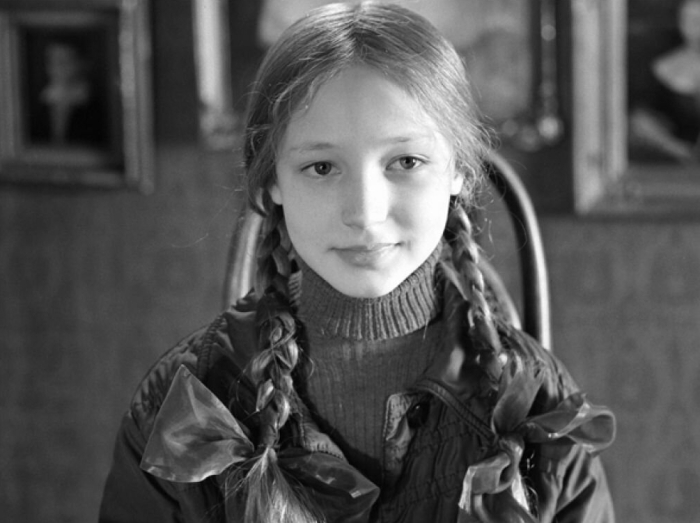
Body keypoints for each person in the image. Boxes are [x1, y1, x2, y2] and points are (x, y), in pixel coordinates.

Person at [99, 3, 616, 522]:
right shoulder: (186, 407)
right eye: (322, 167)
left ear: (458, 169)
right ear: (273, 179)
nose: (366, 214)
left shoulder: (540, 402)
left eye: (406, 162)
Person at [629, 0, 700, 163]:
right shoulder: (661, 67)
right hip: (675, 160)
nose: (697, 28)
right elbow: (640, 119)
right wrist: (676, 148)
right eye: (691, 20)